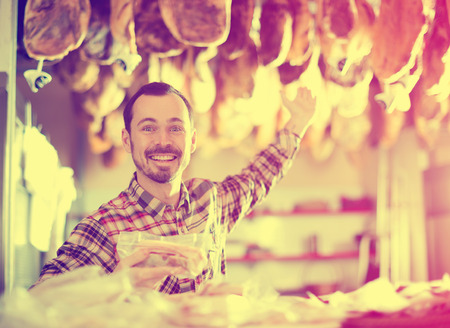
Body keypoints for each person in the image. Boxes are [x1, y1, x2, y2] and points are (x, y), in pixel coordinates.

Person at [30, 81, 316, 294]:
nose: (163, 140)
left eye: (175, 128)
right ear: (127, 141)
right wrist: (111, 288)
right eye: (148, 128)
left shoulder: (209, 201)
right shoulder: (103, 226)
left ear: (191, 141)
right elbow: (40, 301)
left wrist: (298, 124)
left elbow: (258, 178)